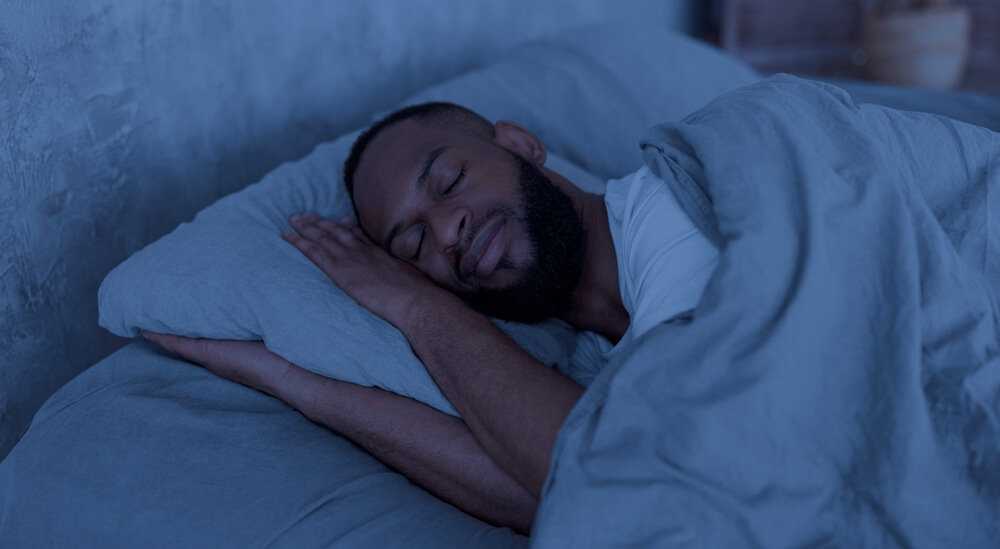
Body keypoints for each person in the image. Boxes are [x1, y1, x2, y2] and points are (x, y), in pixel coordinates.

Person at [143, 102, 719, 534]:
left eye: (449, 181)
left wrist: (416, 305)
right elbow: (545, 485)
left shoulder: (675, 211)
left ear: (521, 144)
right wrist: (292, 380)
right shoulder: (593, 359)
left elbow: (623, 474)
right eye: (413, 246)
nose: (446, 232)